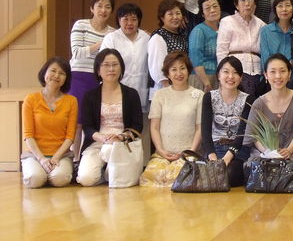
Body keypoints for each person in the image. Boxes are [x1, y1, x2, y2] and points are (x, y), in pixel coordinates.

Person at [76, 49, 143, 186]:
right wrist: (101, 137)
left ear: (121, 68)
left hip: (122, 143)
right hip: (97, 141)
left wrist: (121, 137)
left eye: (115, 64)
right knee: (86, 179)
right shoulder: (90, 96)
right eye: (106, 65)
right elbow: (87, 127)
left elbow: (137, 125)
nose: (111, 69)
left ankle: (111, 174)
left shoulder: (131, 94)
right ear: (98, 70)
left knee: (109, 151)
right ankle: (104, 174)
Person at [140, 52, 204, 187]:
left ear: (188, 70)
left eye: (182, 68)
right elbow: (154, 127)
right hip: (163, 154)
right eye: (174, 69)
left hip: (188, 154)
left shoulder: (199, 95)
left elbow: (200, 128)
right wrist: (161, 150)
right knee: (150, 178)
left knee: (176, 179)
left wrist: (190, 152)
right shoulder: (160, 95)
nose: (179, 73)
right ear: (167, 74)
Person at [68, 0, 115, 161]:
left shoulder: (112, 32)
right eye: (99, 6)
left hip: (99, 80)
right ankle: (74, 159)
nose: (103, 10)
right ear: (91, 8)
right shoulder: (81, 25)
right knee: (77, 122)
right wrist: (101, 43)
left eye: (107, 7)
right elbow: (76, 53)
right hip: (78, 77)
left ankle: (89, 159)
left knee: (94, 121)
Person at [21, 57, 77, 188]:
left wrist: (56, 158)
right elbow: (28, 135)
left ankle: (49, 174)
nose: (56, 76)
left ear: (66, 79)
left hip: (61, 155)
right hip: (35, 155)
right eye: (53, 71)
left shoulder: (71, 101)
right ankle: (42, 173)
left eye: (62, 73)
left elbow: (70, 137)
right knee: (35, 179)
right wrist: (41, 159)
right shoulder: (31, 99)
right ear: (44, 72)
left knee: (60, 179)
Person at [201, 56, 254, 187]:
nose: (231, 76)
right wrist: (213, 158)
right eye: (226, 72)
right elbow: (205, 132)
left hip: (238, 150)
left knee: (229, 175)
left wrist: (227, 158)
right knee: (209, 173)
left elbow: (242, 134)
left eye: (235, 73)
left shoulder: (248, 99)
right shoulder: (209, 97)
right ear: (218, 75)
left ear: (241, 78)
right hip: (215, 147)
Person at [243, 54, 293, 158]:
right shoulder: (258, 103)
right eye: (273, 72)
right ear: (266, 75)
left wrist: (289, 150)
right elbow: (253, 136)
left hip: (292, 156)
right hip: (265, 156)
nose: (278, 76)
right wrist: (270, 153)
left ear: (289, 74)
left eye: (282, 71)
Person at [216, 0, 266, 97]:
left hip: (257, 72)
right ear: (236, 5)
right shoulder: (227, 22)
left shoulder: (262, 25)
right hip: (235, 72)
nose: (247, 3)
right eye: (242, 0)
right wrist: (223, 75)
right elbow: (221, 51)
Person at [100, 3, 150, 110]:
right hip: (117, 93)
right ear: (119, 20)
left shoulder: (146, 38)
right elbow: (103, 65)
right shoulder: (111, 38)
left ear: (139, 21)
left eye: (134, 19)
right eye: (125, 19)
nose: (130, 23)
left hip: (141, 92)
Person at [148, 0, 188, 101]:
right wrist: (171, 90)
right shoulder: (158, 37)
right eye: (170, 14)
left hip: (179, 87)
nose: (175, 17)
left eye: (178, 13)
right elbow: (157, 68)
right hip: (164, 91)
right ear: (162, 17)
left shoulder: (181, 35)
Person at [188, 0, 221, 93]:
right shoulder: (199, 31)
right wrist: (206, 83)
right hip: (203, 78)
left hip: (220, 77)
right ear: (202, 13)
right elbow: (195, 60)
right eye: (207, 8)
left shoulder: (224, 28)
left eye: (215, 6)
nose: (212, 10)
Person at [260, 0, 293, 72]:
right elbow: (265, 59)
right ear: (275, 9)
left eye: (288, 5)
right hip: (272, 74)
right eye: (280, 6)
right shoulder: (266, 31)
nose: (284, 9)